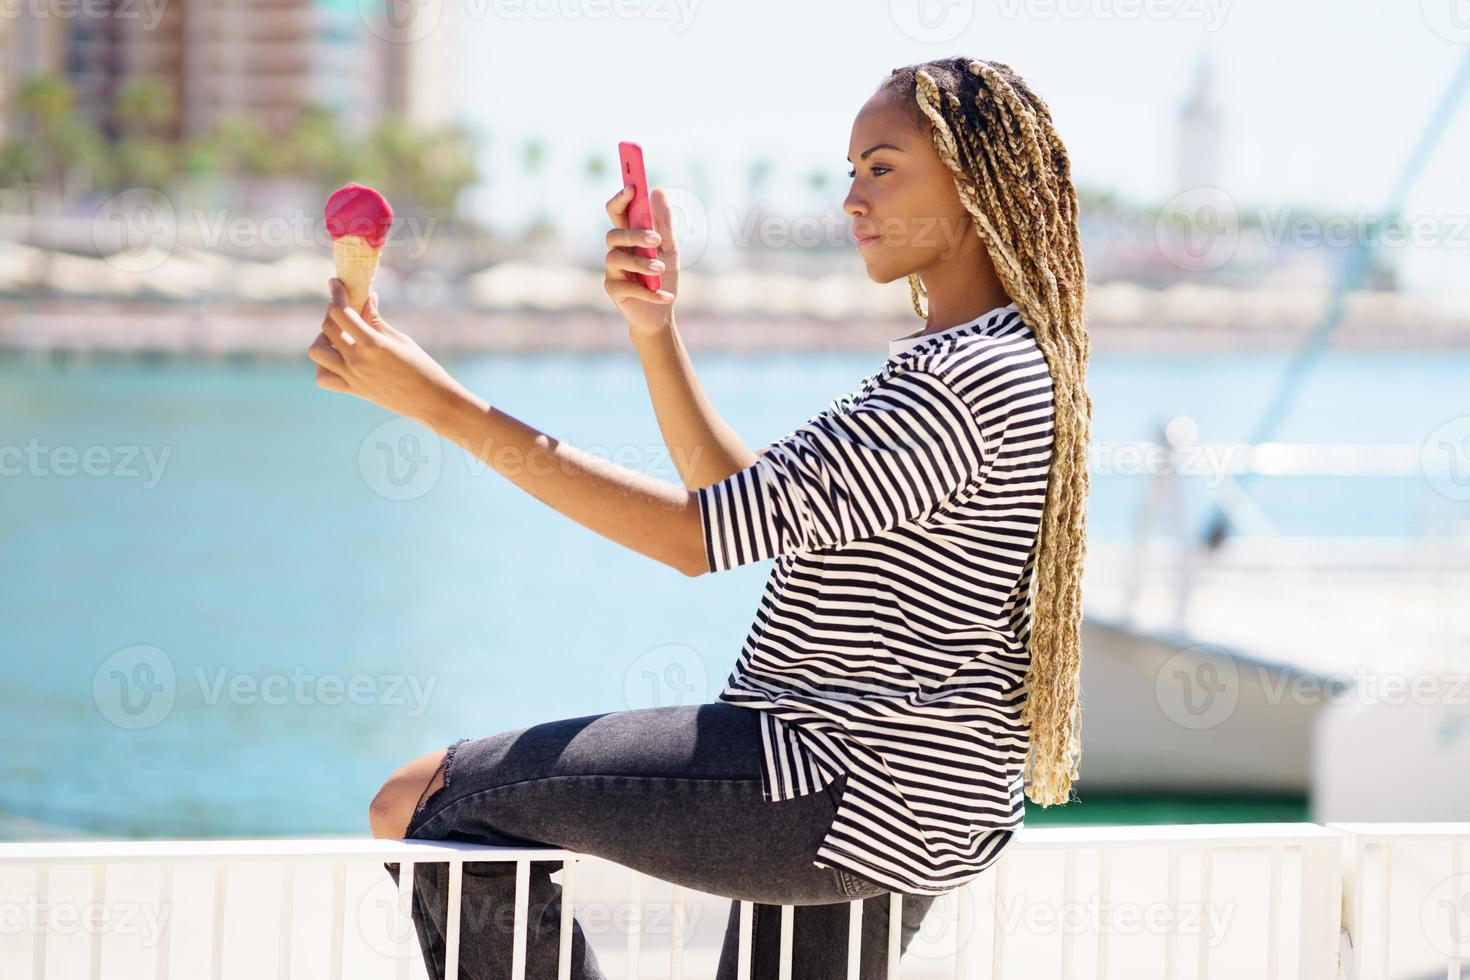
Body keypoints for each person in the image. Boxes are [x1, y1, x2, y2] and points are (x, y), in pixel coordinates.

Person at [309, 55, 1091, 980]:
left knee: (426, 801)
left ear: (976, 184)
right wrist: (655, 330)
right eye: (851, 173)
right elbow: (743, 503)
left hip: (833, 781)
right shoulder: (1005, 360)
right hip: (925, 804)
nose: (852, 200)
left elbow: (694, 539)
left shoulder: (952, 385)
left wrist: (440, 406)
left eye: (882, 168)